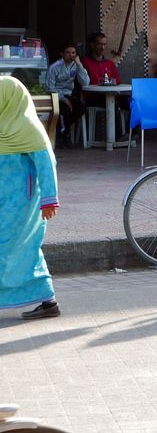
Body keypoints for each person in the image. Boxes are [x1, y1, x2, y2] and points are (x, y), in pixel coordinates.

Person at [0, 77, 61, 320]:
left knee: (20, 246)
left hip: (23, 202)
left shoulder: (28, 128)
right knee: (20, 248)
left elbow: (47, 164)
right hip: (5, 200)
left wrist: (49, 199)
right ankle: (47, 301)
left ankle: (47, 300)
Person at [45, 43, 89, 142]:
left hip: (68, 94)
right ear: (62, 54)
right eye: (68, 53)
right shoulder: (54, 67)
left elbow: (85, 82)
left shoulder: (76, 65)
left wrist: (79, 65)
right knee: (64, 110)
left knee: (81, 108)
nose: (71, 55)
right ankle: (65, 135)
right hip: (55, 96)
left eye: (73, 53)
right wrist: (63, 99)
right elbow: (49, 88)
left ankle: (63, 128)